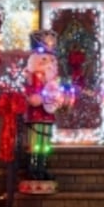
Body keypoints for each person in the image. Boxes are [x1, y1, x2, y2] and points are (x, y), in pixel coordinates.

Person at [22, 31, 66, 180]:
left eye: (50, 60)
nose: (48, 63)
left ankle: (42, 166)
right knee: (35, 140)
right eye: (44, 59)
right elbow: (25, 89)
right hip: (35, 112)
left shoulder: (53, 78)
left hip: (47, 111)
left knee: (45, 140)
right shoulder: (30, 74)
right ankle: (32, 167)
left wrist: (59, 97)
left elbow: (56, 89)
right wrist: (31, 96)